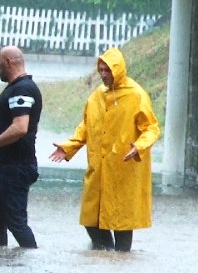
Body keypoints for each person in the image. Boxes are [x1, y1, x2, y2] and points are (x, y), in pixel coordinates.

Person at [49, 46, 160, 252]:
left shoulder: (136, 95)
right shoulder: (95, 97)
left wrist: (139, 146)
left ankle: (120, 269)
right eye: (100, 70)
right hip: (98, 170)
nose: (103, 75)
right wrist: (68, 147)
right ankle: (104, 256)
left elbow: (151, 128)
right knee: (91, 219)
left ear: (118, 70)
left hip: (123, 171)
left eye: (107, 70)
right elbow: (85, 127)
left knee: (122, 223)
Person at [0, 45, 42, 248]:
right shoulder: (16, 89)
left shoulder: (22, 89)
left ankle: (29, 265)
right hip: (4, 167)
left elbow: (20, 127)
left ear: (8, 62)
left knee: (16, 223)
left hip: (15, 168)